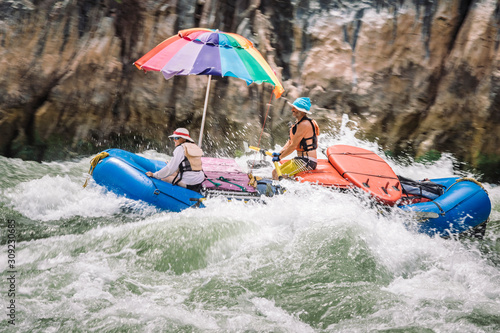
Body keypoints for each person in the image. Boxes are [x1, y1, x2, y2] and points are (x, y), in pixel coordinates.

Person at [272, 97, 320, 180]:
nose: (292, 109)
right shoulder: (298, 123)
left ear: (301, 111)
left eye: (295, 108)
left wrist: (280, 158)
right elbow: (290, 141)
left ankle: (282, 191)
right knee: (275, 172)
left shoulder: (304, 124)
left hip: (307, 161)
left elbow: (293, 146)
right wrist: (280, 152)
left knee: (278, 175)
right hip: (300, 159)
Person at [146, 128, 205, 192]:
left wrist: (155, 175)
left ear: (184, 139)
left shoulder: (180, 148)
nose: (174, 140)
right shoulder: (194, 146)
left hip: (189, 182)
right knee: (173, 173)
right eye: (173, 138)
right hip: (199, 180)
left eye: (177, 138)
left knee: (164, 178)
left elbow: (170, 169)